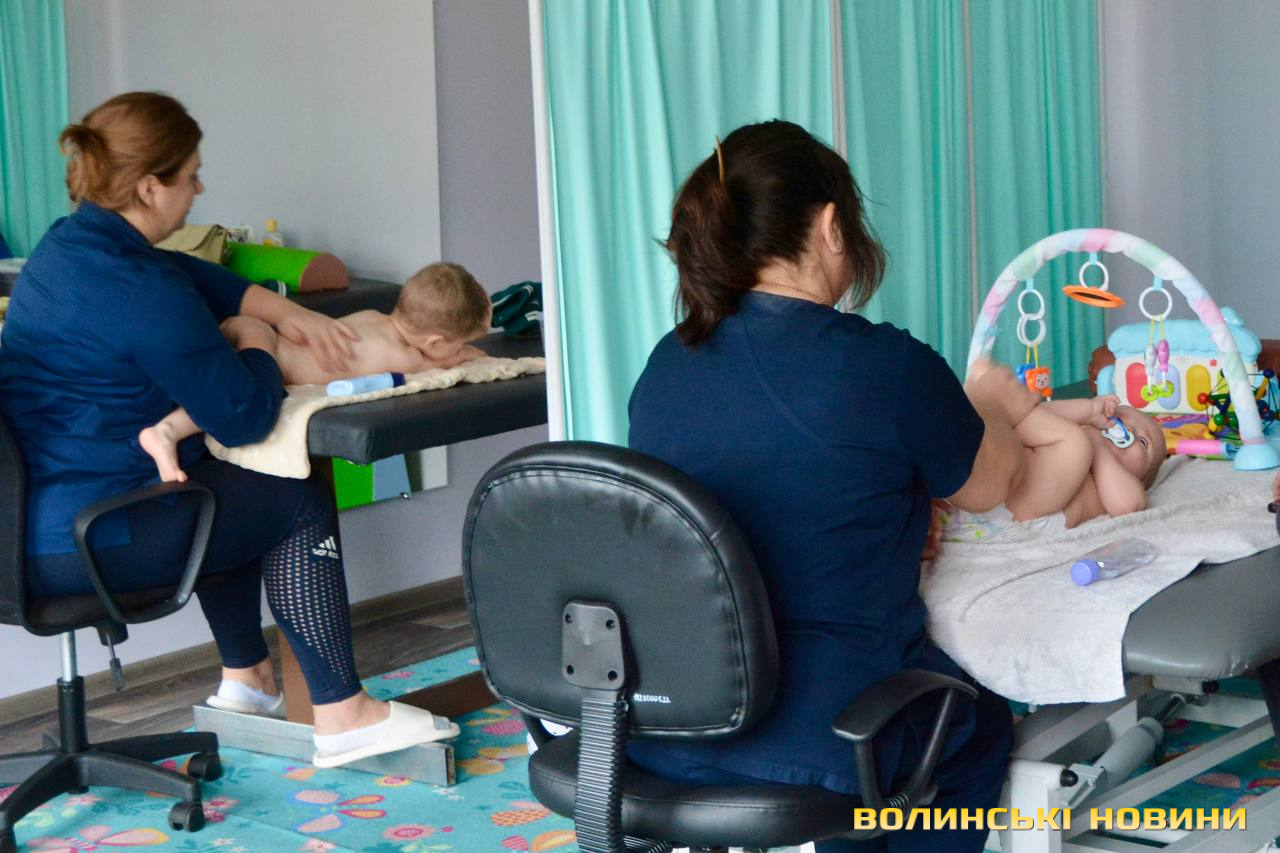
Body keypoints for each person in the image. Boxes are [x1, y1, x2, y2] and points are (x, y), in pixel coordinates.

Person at [0, 91, 456, 768]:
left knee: (222, 487)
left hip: (22, 530)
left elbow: (183, 270)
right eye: (191, 175)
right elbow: (245, 416)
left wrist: (280, 308)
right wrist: (257, 339)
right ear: (150, 187)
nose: (200, 188)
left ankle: (248, 681)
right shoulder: (141, 292)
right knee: (291, 492)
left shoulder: (68, 247)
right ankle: (343, 714)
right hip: (88, 538)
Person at [626, 120, 1027, 852]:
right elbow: (992, 483)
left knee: (871, 755)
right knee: (975, 727)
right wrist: (991, 403)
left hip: (672, 718)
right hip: (834, 727)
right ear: (832, 226)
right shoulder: (884, 366)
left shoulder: (666, 365)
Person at [139, 261, 492, 483]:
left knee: (204, 380)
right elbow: (436, 366)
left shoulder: (373, 316)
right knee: (223, 400)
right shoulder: (405, 355)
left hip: (247, 328)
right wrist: (464, 356)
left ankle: (163, 421)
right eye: (459, 343)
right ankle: (167, 431)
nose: (459, 350)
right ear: (434, 342)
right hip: (269, 355)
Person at [941, 371, 1166, 540]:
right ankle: (989, 418)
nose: (1130, 429)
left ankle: (992, 408)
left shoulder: (1123, 482)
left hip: (1022, 510)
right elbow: (1037, 416)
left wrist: (1097, 446)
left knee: (1074, 442)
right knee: (1025, 422)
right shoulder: (1071, 441)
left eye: (1144, 442)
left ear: (1143, 478)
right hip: (985, 484)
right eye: (1120, 418)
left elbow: (1128, 506)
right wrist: (1088, 411)